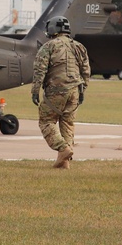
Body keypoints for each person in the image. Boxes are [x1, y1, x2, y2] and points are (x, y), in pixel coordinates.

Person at [31, 15, 90, 169]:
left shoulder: (49, 46)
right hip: (75, 90)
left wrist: (35, 90)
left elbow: (40, 70)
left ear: (51, 30)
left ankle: (63, 149)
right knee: (68, 123)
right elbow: (86, 70)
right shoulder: (78, 46)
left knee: (46, 121)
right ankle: (64, 162)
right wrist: (82, 90)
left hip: (56, 90)